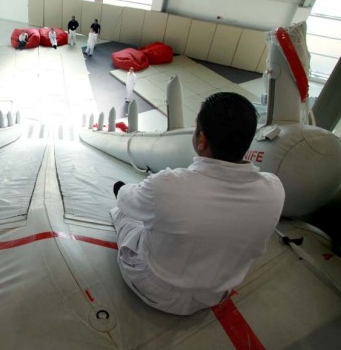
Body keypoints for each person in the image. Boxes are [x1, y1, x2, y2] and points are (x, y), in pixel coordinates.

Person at [111, 92, 284, 316]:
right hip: (214, 295)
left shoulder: (167, 185)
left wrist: (121, 189)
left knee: (127, 214)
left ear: (201, 139)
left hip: (153, 289)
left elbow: (126, 200)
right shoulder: (275, 190)